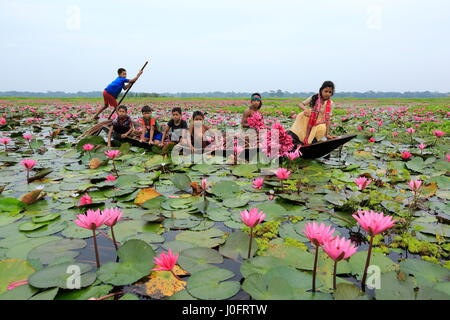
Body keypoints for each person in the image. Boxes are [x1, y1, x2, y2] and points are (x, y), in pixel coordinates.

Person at [288, 81, 336, 145]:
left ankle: (311, 140)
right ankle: (299, 139)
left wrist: (327, 134)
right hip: (309, 118)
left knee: (322, 128)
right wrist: (305, 109)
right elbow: (300, 104)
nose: (327, 94)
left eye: (330, 92)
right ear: (321, 90)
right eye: (326, 91)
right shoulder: (314, 97)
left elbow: (328, 120)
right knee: (301, 116)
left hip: (319, 123)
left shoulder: (331, 104)